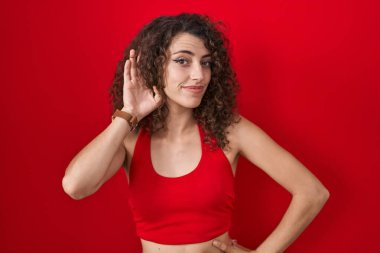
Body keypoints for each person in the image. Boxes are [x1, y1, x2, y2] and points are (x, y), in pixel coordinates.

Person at [62, 13, 330, 253]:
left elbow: (312, 192)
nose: (199, 75)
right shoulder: (130, 138)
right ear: (154, 67)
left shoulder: (231, 130)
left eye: (206, 63)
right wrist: (128, 114)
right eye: (183, 61)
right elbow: (76, 186)